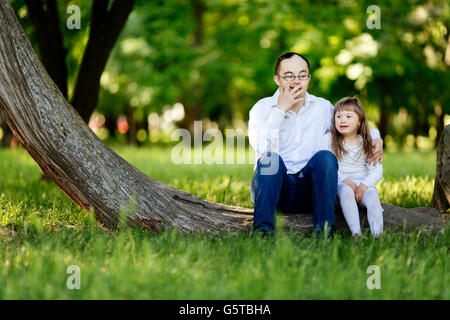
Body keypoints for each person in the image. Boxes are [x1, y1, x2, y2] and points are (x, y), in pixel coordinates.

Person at [248, 52, 383, 237]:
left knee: (325, 158)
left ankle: (325, 231)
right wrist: (280, 110)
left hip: (310, 191)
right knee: (271, 159)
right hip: (275, 191)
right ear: (277, 80)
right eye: (288, 76)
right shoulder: (262, 109)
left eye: (302, 75)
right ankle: (263, 232)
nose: (296, 81)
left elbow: (351, 126)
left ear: (309, 79)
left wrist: (376, 137)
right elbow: (262, 151)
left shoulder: (323, 108)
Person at [320, 97, 383, 239]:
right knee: (346, 190)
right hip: (340, 182)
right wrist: (344, 180)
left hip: (362, 182)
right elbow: (325, 166)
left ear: (359, 121)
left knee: (373, 195)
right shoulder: (329, 139)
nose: (342, 120)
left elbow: (377, 170)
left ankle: (378, 235)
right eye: (338, 116)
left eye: (348, 116)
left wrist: (364, 185)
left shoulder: (367, 142)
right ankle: (356, 233)